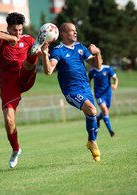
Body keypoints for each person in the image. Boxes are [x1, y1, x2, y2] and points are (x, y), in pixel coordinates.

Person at [39, 22, 102, 161]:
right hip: (71, 91)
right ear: (63, 34)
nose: (75, 33)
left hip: (86, 89)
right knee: (92, 111)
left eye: (75, 30)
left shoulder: (80, 47)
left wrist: (97, 53)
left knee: (92, 116)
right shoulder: (58, 50)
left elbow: (97, 66)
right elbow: (48, 71)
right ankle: (92, 142)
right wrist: (44, 55)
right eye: (72, 31)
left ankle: (92, 143)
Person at [0, 12, 39, 168]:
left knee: (29, 61)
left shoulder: (28, 39)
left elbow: (45, 54)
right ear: (8, 28)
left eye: (20, 30)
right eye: (14, 30)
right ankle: (16, 149)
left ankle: (35, 52)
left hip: (25, 77)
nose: (18, 33)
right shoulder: (3, 39)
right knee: (9, 121)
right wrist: (10, 38)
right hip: (9, 82)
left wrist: (44, 51)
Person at [88, 59, 118, 137]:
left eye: (98, 60)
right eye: (95, 61)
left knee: (106, 112)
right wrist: (90, 89)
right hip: (99, 94)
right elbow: (89, 81)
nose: (97, 62)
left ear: (101, 61)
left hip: (108, 93)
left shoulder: (107, 68)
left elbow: (115, 78)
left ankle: (98, 119)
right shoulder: (92, 71)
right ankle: (110, 131)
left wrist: (115, 85)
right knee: (104, 110)